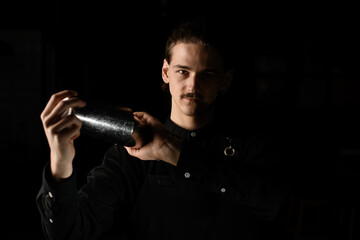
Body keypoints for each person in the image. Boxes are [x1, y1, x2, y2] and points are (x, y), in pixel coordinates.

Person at [37, 18, 290, 240]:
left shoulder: (252, 145)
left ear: (225, 81)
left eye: (207, 75)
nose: (193, 85)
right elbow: (68, 232)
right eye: (183, 71)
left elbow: (273, 202)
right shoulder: (130, 156)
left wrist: (169, 148)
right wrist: (61, 162)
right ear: (166, 72)